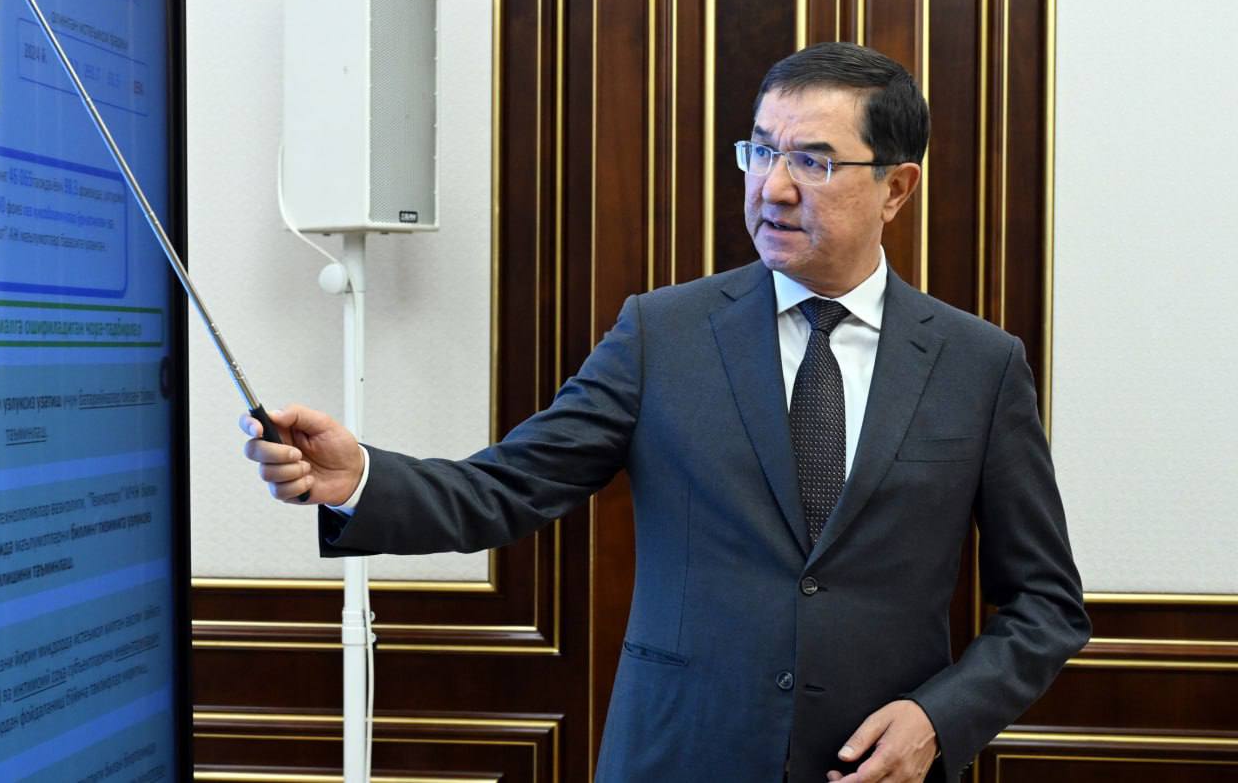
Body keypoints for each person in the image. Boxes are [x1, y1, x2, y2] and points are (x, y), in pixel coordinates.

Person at [242, 42, 1090, 783]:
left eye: (814, 161)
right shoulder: (663, 333)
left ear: (896, 189)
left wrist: (939, 718)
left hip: (870, 767)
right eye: (761, 151)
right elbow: (508, 487)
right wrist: (361, 479)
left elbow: (1046, 604)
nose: (774, 187)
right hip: (679, 754)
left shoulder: (979, 366)